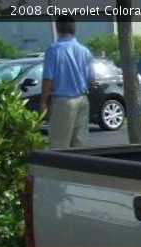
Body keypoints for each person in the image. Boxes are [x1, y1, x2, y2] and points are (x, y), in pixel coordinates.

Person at [40, 16, 93, 149]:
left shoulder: (54, 50)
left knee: (59, 144)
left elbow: (48, 79)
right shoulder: (85, 51)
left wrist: (44, 101)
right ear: (74, 29)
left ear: (58, 28)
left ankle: (59, 170)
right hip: (82, 99)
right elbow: (91, 80)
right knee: (80, 145)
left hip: (63, 101)